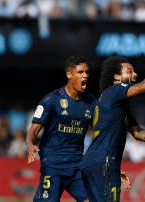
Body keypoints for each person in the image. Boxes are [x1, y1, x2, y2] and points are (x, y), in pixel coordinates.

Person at [80, 56, 145, 202]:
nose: (135, 75)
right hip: (104, 162)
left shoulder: (116, 103)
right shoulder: (114, 90)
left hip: (97, 162)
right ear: (116, 76)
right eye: (129, 71)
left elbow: (138, 133)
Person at [26, 55, 97, 202]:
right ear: (69, 74)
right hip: (53, 165)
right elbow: (33, 130)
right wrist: (30, 144)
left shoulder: (92, 103)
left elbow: (99, 134)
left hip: (77, 165)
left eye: (87, 72)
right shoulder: (52, 100)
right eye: (80, 72)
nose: (85, 75)